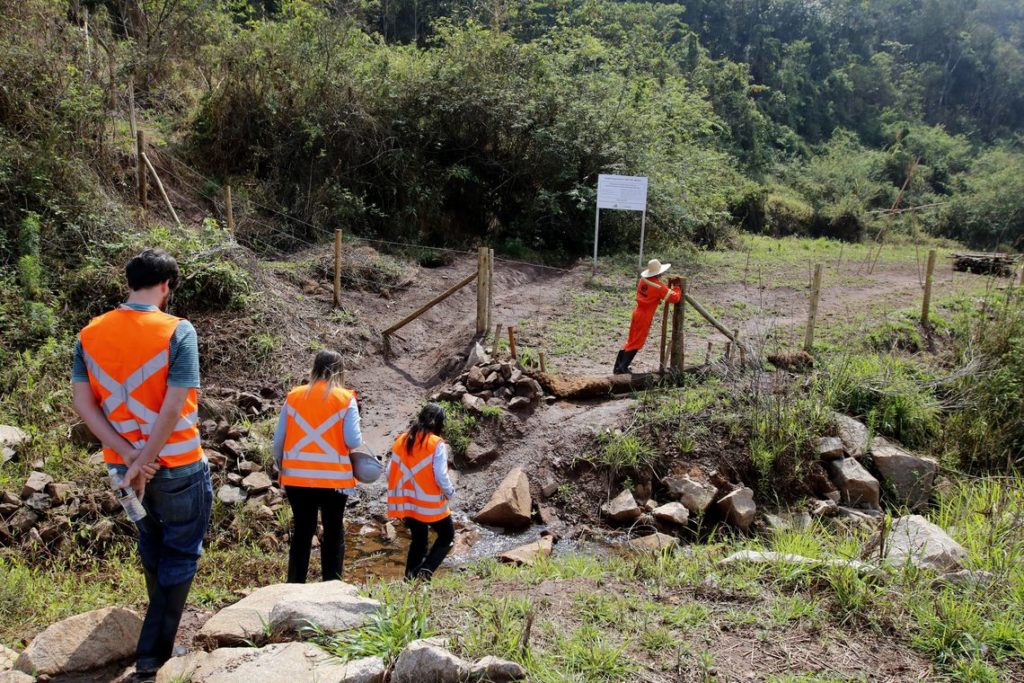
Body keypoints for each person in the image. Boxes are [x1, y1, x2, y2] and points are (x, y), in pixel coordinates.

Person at [71, 248, 212, 680]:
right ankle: (154, 653)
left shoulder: (90, 333)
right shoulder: (178, 331)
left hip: (122, 467)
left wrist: (130, 457)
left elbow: (83, 403)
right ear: (166, 286)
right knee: (181, 552)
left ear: (129, 282)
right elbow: (172, 407)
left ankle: (160, 640)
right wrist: (146, 458)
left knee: (151, 543)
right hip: (178, 464)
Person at [272, 350, 363, 583]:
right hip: (334, 481)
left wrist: (283, 468)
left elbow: (278, 441)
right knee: (333, 532)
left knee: (303, 531)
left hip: (297, 480)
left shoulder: (294, 396)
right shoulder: (345, 398)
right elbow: (353, 441)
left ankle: (294, 586)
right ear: (340, 371)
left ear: (314, 369)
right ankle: (332, 587)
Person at [387, 403, 456, 581]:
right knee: (447, 535)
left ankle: (410, 578)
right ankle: (424, 574)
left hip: (407, 503)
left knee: (419, 539)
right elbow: (441, 476)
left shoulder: (402, 439)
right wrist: (450, 493)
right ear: (440, 423)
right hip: (431, 504)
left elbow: (390, 472)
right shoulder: (436, 443)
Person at [613, 258, 682, 375]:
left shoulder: (643, 280)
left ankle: (618, 367)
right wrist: (677, 287)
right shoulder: (658, 286)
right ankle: (622, 368)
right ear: (659, 272)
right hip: (645, 315)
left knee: (631, 340)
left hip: (637, 311)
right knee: (637, 342)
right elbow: (675, 298)